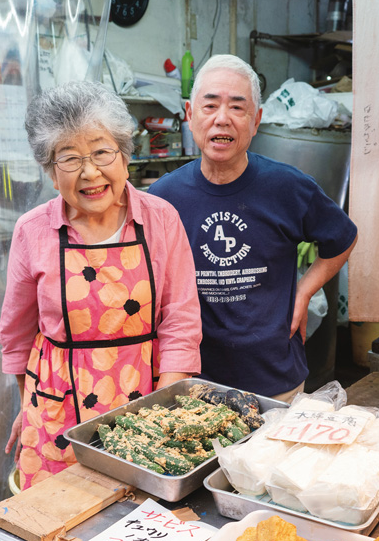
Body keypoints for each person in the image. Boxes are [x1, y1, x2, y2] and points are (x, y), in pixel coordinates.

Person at [0, 81, 201, 489]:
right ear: (51, 173)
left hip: (146, 400)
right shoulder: (32, 231)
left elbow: (181, 326)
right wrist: (28, 405)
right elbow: (18, 338)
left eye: (101, 152)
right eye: (69, 159)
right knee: (58, 528)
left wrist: (158, 421)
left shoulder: (161, 220)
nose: (90, 173)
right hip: (57, 411)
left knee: (134, 524)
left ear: (125, 156)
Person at [149, 55, 357, 403]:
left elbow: (342, 238)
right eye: (210, 105)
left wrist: (304, 292)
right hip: (194, 382)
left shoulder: (287, 186)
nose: (222, 119)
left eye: (237, 108)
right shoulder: (163, 197)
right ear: (189, 114)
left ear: (257, 120)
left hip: (276, 378)